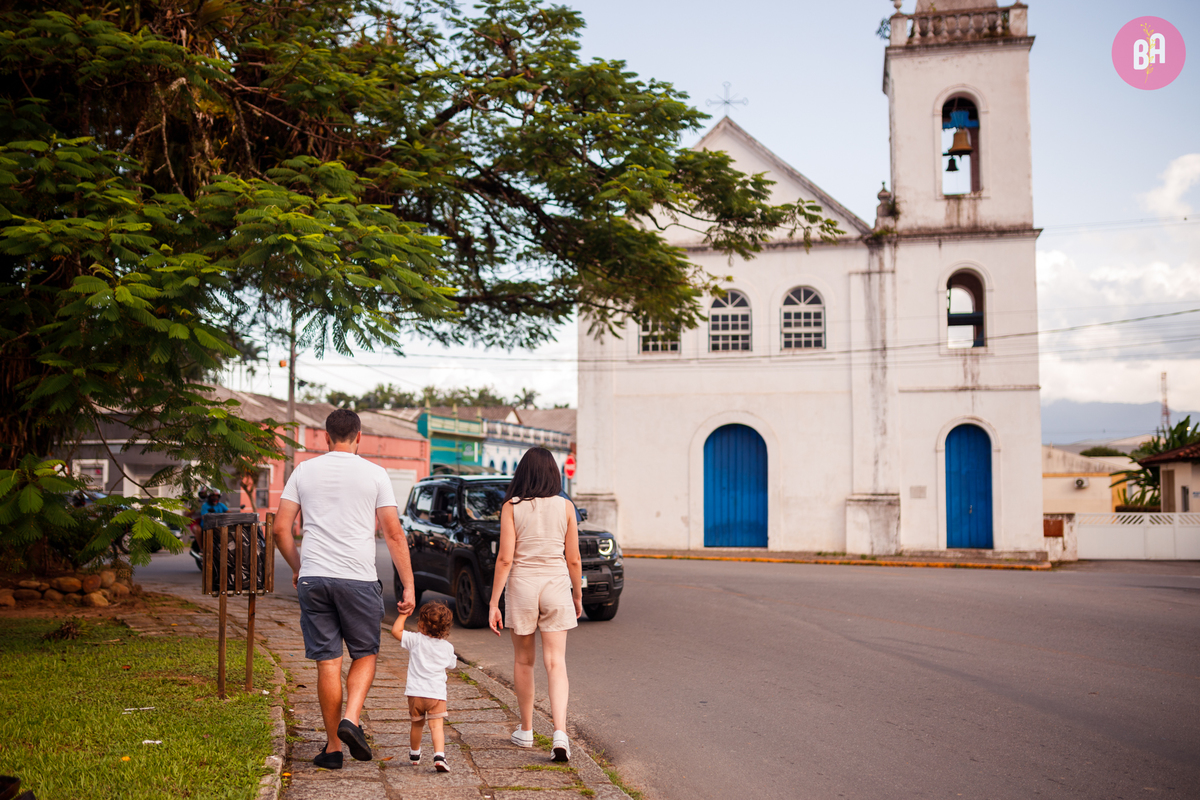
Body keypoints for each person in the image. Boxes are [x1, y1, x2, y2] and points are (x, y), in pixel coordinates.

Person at [274, 409, 417, 770]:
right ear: (359, 437)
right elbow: (393, 533)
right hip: (358, 579)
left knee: (328, 661)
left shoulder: (303, 470)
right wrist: (409, 584)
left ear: (326, 437)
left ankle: (334, 748)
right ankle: (351, 718)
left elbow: (279, 529)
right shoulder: (375, 473)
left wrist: (299, 567)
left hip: (315, 578)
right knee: (365, 653)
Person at [487, 447, 583, 762]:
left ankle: (526, 730)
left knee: (524, 661)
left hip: (523, 586)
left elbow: (505, 558)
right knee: (556, 663)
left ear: (523, 473)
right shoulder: (566, 506)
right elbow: (573, 558)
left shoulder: (511, 507)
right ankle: (560, 733)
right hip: (556, 585)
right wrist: (577, 595)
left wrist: (494, 602)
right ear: (553, 473)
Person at [391, 601, 457, 773]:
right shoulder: (447, 647)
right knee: (436, 726)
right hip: (436, 694)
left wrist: (403, 615)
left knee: (417, 725)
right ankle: (439, 756)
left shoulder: (416, 640)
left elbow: (396, 631)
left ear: (421, 624)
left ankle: (414, 754)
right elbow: (452, 665)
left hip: (416, 693)